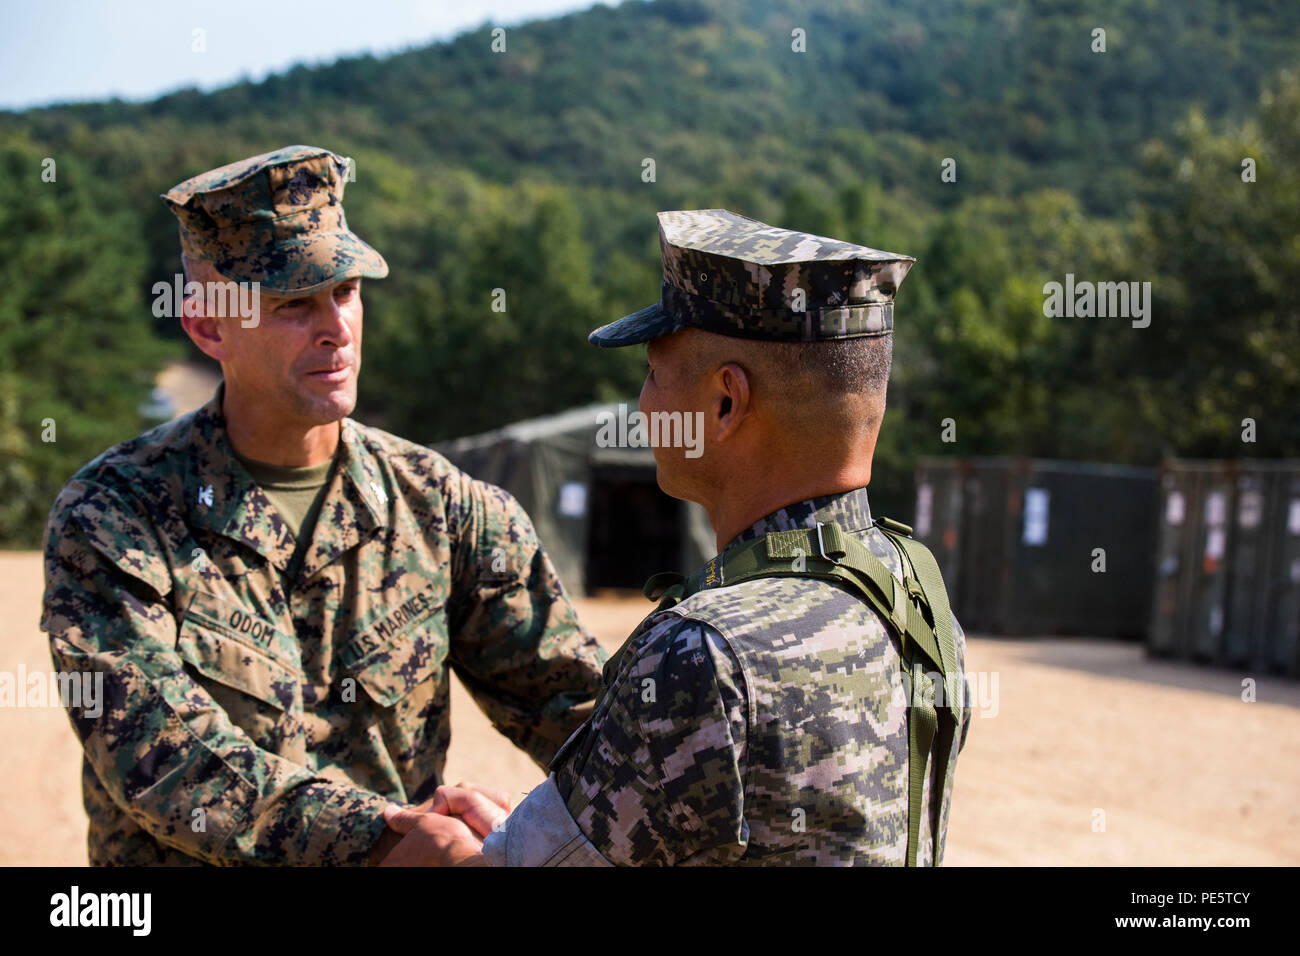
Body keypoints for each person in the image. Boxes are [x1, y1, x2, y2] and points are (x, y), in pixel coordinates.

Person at [40, 144, 605, 866]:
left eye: (345, 291)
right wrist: (383, 843)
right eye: (294, 304)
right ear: (208, 325)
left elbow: (582, 714)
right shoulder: (116, 516)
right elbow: (158, 756)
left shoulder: (444, 509)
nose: (335, 327)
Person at [390, 208, 973, 866]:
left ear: (726, 402)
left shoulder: (706, 649)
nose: (643, 406)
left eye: (653, 374)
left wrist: (446, 852)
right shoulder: (911, 584)